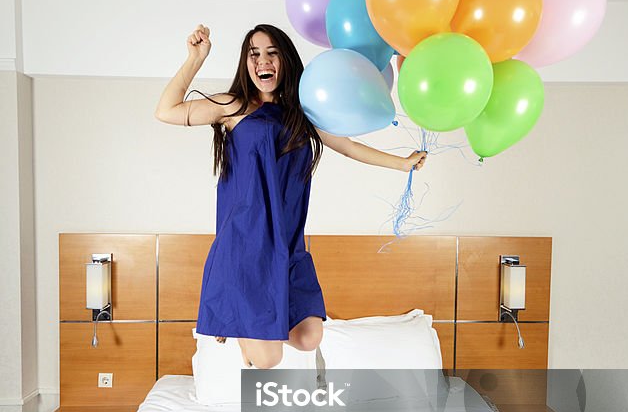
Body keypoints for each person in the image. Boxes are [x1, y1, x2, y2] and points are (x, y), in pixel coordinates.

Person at [155, 23, 427, 370]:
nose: (262, 61)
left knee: (309, 336)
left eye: (271, 53)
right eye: (254, 54)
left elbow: (347, 146)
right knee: (269, 360)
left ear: (285, 60)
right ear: (246, 63)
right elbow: (166, 111)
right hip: (245, 248)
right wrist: (196, 58)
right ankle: (240, 321)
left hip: (287, 248)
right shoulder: (233, 107)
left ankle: (242, 318)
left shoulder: (304, 111)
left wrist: (402, 164)